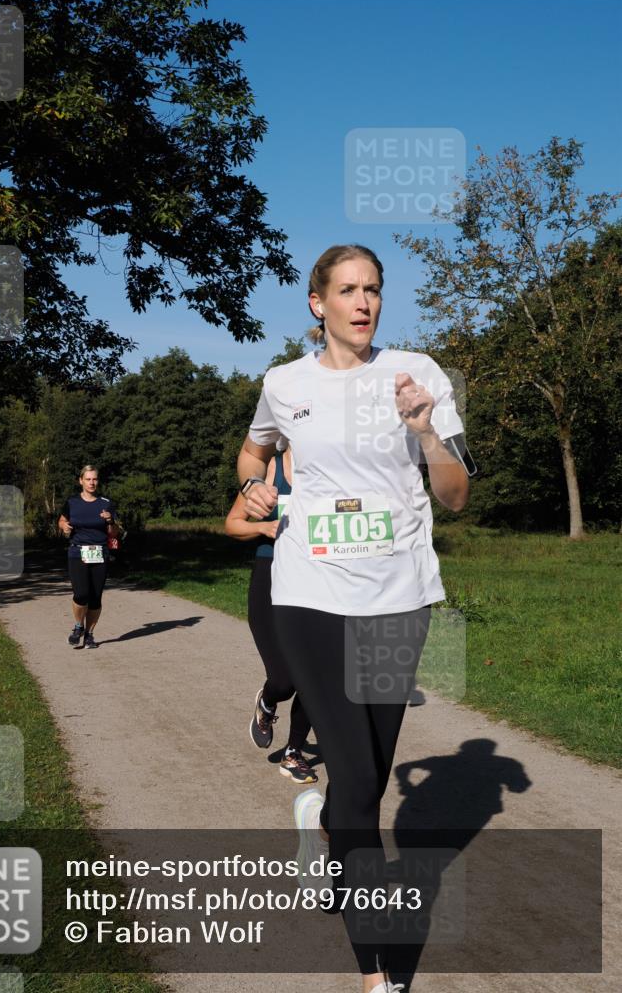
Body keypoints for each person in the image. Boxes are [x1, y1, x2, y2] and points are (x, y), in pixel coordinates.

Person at [237, 244, 470, 993]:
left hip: (398, 599)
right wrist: (255, 490)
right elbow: (253, 452)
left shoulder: (419, 375)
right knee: (366, 783)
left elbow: (458, 497)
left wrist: (425, 430)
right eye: (347, 290)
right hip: (308, 593)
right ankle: (378, 974)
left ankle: (321, 825)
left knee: (358, 777)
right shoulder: (284, 384)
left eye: (372, 289)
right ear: (318, 304)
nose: (363, 302)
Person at [225, 441, 317, 785]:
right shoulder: (269, 471)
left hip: (315, 581)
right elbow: (232, 524)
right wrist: (263, 528)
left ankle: (294, 753)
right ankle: (267, 701)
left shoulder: (329, 475)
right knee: (284, 679)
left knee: (312, 674)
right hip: (270, 576)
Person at [58, 465, 120, 650]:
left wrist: (110, 521)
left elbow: (114, 534)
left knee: (95, 598)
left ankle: (90, 635)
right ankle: (78, 626)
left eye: (95, 479)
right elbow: (61, 520)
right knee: (81, 594)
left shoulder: (106, 503)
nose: (92, 482)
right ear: (81, 481)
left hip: (100, 553)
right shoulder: (72, 502)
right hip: (78, 552)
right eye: (88, 479)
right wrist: (64, 527)